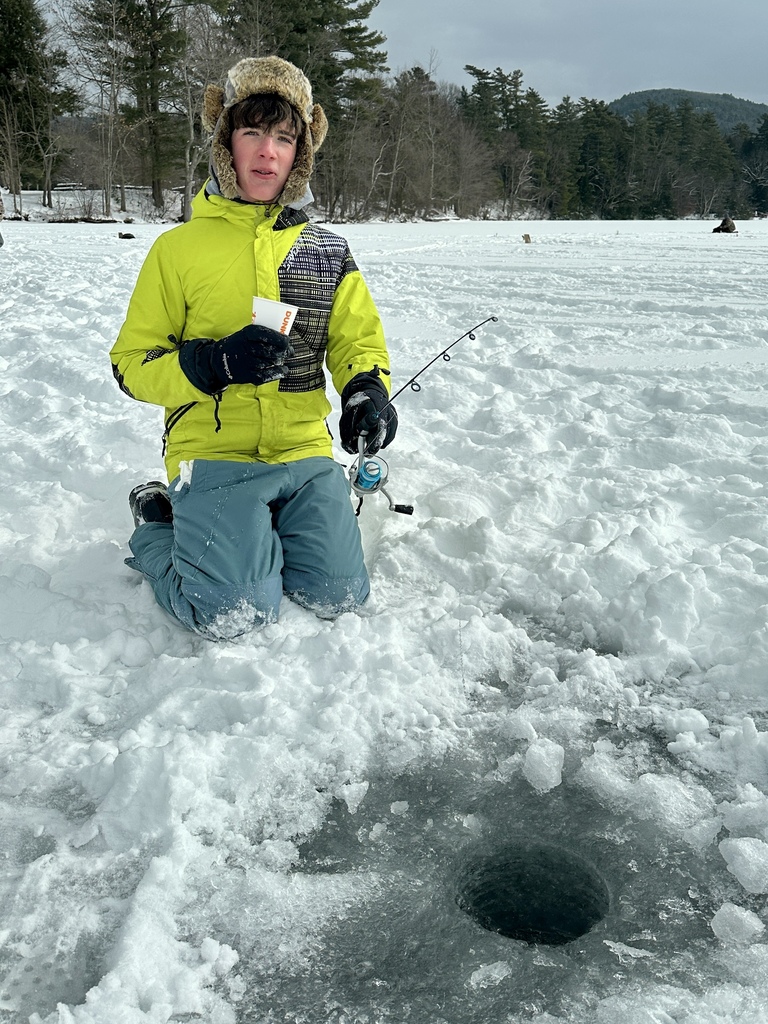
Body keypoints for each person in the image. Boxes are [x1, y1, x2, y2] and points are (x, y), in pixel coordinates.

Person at [110, 56, 397, 640]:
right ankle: (157, 520)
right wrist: (209, 363)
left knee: (341, 595)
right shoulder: (178, 249)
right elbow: (130, 366)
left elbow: (356, 340)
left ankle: (260, 532)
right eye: (252, 132)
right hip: (217, 450)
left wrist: (367, 391)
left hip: (303, 448)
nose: (268, 151)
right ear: (226, 144)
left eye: (284, 137)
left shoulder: (328, 250)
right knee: (231, 613)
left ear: (300, 154)